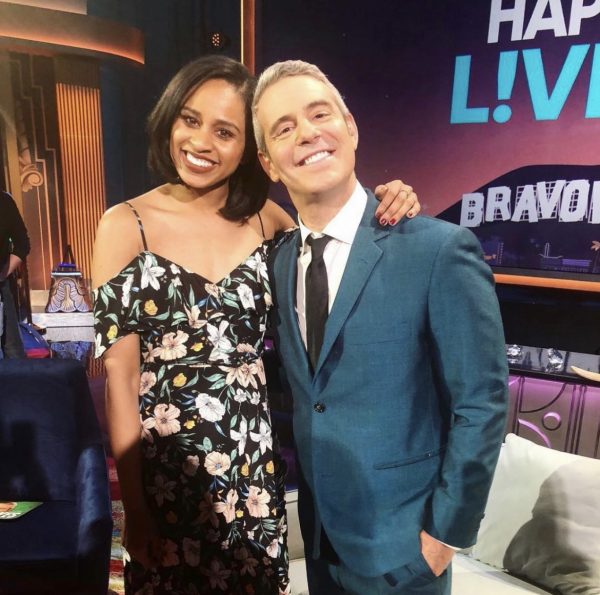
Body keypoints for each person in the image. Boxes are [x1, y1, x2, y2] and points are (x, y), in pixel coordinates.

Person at [92, 55, 420, 595]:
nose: (202, 143)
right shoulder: (124, 224)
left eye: (226, 132)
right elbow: (121, 381)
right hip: (168, 472)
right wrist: (136, 509)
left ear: (254, 151)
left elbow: (343, 254)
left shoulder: (270, 221)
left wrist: (391, 198)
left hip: (252, 467)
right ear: (168, 119)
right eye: (190, 120)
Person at [253, 60, 509, 595]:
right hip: (321, 538)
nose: (306, 133)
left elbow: (480, 402)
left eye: (319, 114)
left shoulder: (437, 250)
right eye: (283, 128)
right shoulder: (276, 262)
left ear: (351, 127)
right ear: (268, 163)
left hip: (406, 547)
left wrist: (446, 534)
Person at [0, 190, 30, 359]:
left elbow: (22, 244)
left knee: (12, 350)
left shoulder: (4, 202)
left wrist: (3, 274)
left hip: (0, 289)